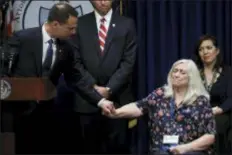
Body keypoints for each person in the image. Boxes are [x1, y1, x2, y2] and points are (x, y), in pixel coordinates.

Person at [7, 2, 114, 154]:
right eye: (70, 28)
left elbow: (77, 79)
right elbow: (5, 72)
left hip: (47, 116)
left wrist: (101, 101)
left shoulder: (67, 47)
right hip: (18, 115)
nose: (74, 32)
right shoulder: (23, 39)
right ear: (56, 24)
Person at [104, 59, 216, 155]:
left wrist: (183, 149)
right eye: (175, 71)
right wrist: (116, 113)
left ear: (191, 77)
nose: (176, 75)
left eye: (182, 72)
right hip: (161, 150)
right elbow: (139, 106)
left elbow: (210, 136)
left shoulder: (201, 101)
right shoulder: (160, 94)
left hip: (190, 151)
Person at [71, 0, 137, 154]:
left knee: (118, 148)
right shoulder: (80, 23)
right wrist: (93, 88)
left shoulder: (126, 24)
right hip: (86, 100)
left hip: (118, 100)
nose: (103, 2)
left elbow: (128, 62)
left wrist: (109, 89)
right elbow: (74, 61)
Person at [193, 35, 232, 154]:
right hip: (196, 113)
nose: (205, 52)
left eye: (209, 48)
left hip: (222, 112)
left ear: (217, 50)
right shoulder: (193, 72)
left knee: (216, 125)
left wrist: (218, 110)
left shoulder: (228, 72)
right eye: (201, 49)